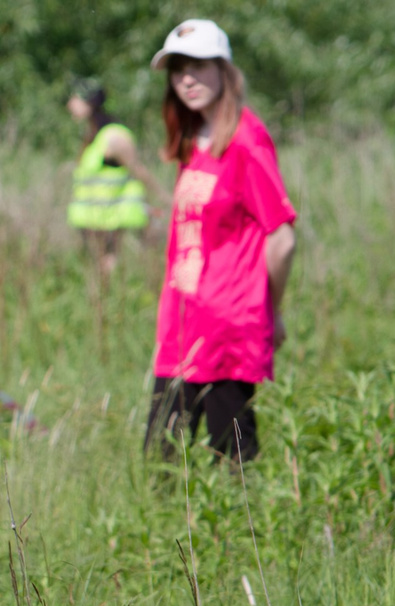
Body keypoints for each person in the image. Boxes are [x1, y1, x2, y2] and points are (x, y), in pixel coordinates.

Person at [146, 19, 297, 463]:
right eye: (177, 70)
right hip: (182, 325)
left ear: (224, 71)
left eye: (198, 66)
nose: (186, 79)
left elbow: (282, 238)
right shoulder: (193, 139)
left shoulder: (247, 140)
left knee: (232, 461)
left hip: (228, 329)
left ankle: (241, 538)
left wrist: (273, 309)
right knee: (160, 460)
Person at [64, 78, 154, 274]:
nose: (69, 104)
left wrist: (164, 201)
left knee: (109, 268)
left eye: (75, 98)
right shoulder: (93, 135)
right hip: (96, 221)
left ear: (90, 102)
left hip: (112, 220)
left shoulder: (114, 136)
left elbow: (138, 171)